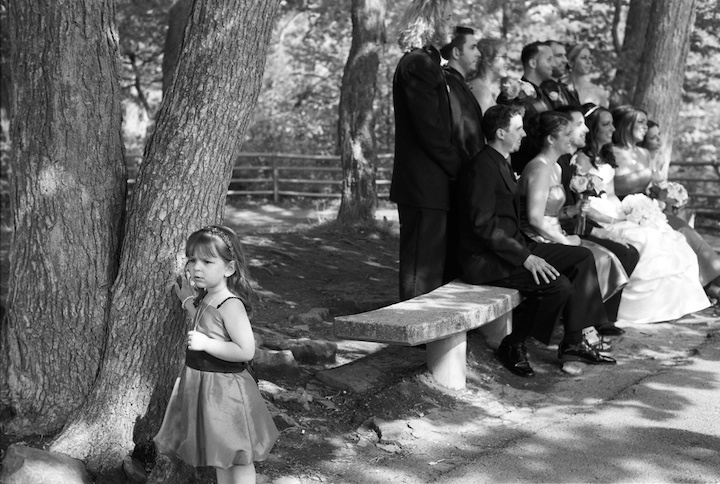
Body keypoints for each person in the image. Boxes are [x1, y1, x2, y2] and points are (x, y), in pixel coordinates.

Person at [454, 104, 616, 378]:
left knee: (582, 256)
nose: (524, 134)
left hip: (514, 247)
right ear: (501, 133)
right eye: (518, 129)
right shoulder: (482, 167)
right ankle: (513, 344)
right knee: (558, 286)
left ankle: (574, 342)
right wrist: (526, 257)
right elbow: (483, 226)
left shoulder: (501, 161)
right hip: (486, 259)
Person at [154, 226, 279, 484]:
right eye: (192, 260)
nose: (196, 268)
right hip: (208, 389)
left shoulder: (230, 304)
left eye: (207, 262)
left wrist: (207, 344)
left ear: (229, 268)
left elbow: (246, 350)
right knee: (221, 453)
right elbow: (204, 318)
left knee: (239, 456)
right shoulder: (209, 297)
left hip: (227, 392)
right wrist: (187, 301)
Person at [572, 106, 711, 324]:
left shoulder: (607, 156)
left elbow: (611, 194)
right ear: (593, 128)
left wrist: (629, 211)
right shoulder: (580, 159)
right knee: (645, 240)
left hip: (615, 209)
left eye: (612, 124)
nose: (613, 129)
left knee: (669, 238)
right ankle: (636, 309)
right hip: (595, 215)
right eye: (606, 124)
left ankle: (672, 304)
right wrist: (613, 219)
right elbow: (583, 203)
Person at [517, 110, 630, 350]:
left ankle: (583, 333)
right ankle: (580, 336)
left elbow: (551, 212)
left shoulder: (556, 168)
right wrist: (564, 240)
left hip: (553, 232)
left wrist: (572, 211)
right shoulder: (539, 168)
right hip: (536, 238)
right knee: (586, 257)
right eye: (567, 134)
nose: (573, 138)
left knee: (605, 256)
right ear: (551, 139)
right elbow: (535, 220)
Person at [611, 105, 720, 301]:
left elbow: (651, 189)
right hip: (620, 210)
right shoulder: (610, 152)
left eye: (646, 123)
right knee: (678, 234)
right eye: (641, 122)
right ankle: (708, 286)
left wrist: (670, 196)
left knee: (685, 232)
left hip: (648, 209)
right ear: (627, 124)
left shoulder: (644, 154)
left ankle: (711, 282)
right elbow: (613, 185)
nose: (645, 127)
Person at [391, 0, 461, 300]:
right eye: (447, 17)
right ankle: (413, 323)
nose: (452, 23)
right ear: (429, 21)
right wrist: (458, 167)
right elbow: (430, 129)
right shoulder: (417, 64)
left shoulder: (427, 62)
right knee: (421, 269)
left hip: (431, 181)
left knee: (431, 266)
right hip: (423, 182)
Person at [555, 104, 640, 337]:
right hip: (565, 230)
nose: (584, 129)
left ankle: (605, 317)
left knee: (630, 251)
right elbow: (563, 212)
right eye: (578, 125)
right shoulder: (565, 164)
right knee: (620, 251)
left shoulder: (569, 162)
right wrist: (597, 231)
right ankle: (591, 321)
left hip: (579, 224)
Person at [497, 41, 556, 174]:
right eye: (549, 59)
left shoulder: (545, 94)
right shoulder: (514, 94)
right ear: (533, 63)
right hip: (523, 168)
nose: (553, 64)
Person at [440, 26, 485, 166]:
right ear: (456, 52)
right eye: (472, 48)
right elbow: (459, 134)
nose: (478, 54)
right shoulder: (449, 83)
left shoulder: (458, 83)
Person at [467, 37, 508, 113]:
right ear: (488, 60)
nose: (507, 62)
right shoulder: (482, 92)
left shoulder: (481, 87)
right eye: (503, 57)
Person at [540, 40, 580, 109]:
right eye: (559, 55)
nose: (565, 60)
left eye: (565, 55)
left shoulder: (571, 92)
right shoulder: (536, 91)